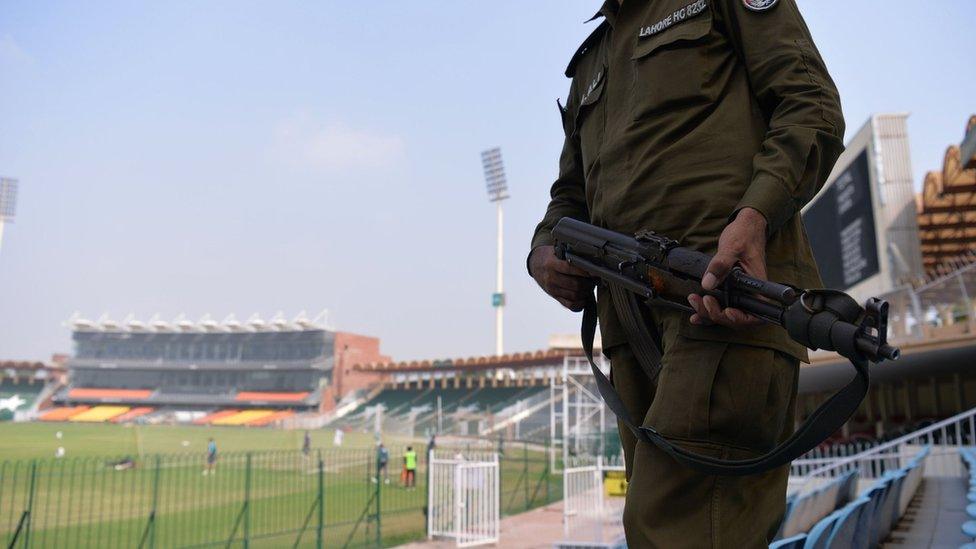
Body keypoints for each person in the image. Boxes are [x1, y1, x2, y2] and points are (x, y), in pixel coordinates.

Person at [529, 0, 844, 546]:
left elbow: (810, 106)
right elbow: (570, 196)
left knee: (673, 528)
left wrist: (754, 215)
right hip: (628, 328)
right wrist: (541, 253)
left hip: (728, 302)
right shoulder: (591, 60)